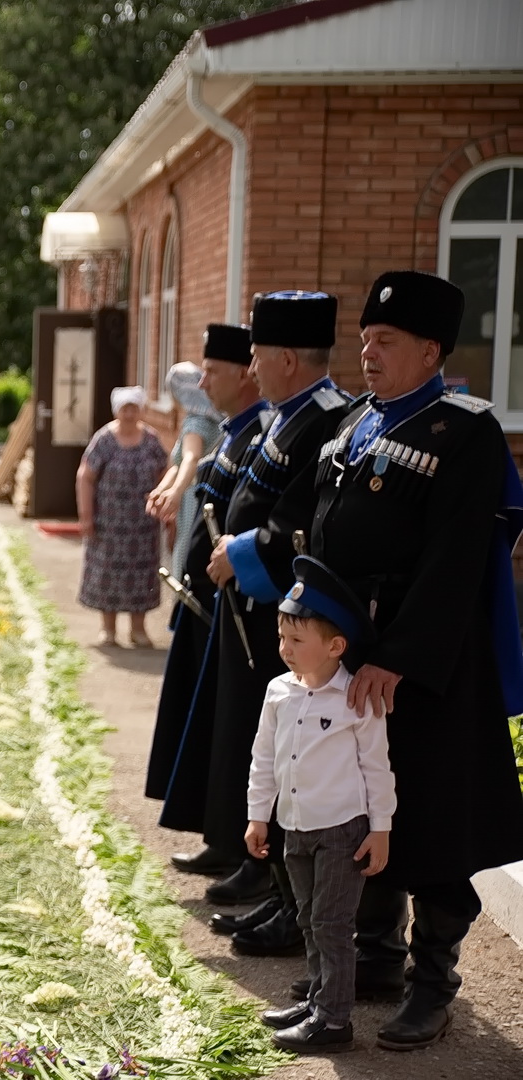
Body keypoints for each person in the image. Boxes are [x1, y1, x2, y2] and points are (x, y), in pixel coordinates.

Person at [307, 270, 523, 1050]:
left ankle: (433, 984)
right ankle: (376, 959)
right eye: (365, 338)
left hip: (424, 669)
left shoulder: (463, 431)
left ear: (431, 350)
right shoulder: (357, 422)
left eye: (385, 341)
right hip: (351, 654)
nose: (367, 351)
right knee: (361, 807)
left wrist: (399, 655)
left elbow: (456, 558)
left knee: (428, 820)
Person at [195, 291, 353, 954]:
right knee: (259, 746)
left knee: (292, 760)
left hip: (283, 612)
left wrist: (243, 552)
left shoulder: (325, 416)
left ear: (289, 357)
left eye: (258, 354)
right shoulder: (287, 415)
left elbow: (297, 521)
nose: (252, 367)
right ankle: (273, 884)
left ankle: (289, 900)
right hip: (253, 608)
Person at [246, 556, 394, 1053]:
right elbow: (263, 757)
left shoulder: (355, 697)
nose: (284, 648)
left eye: (296, 641)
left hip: (341, 830)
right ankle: (317, 998)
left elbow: (377, 767)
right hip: (294, 827)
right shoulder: (277, 692)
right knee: (308, 919)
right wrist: (257, 815)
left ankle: (333, 1021)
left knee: (332, 924)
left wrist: (381, 828)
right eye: (282, 637)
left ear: (335, 646)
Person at [146, 325, 264, 884]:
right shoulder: (236, 430)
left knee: (234, 727)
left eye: (213, 371)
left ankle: (239, 848)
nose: (203, 380)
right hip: (210, 595)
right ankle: (221, 835)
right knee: (213, 723)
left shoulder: (259, 429)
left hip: (241, 606)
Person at [75, 385, 168, 647]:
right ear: (117, 411)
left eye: (134, 408)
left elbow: (165, 472)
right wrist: (86, 515)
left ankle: (138, 629)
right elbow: (86, 477)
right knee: (108, 574)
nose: (129, 414)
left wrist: (166, 508)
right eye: (125, 409)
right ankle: (108, 629)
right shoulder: (104, 439)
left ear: (140, 410)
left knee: (142, 576)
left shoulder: (151, 440)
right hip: (109, 524)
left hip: (143, 525)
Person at [147, 361, 222, 580]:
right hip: (199, 493)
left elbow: (190, 459)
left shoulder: (196, 424)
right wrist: (161, 489)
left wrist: (177, 492)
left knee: (187, 554)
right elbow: (178, 466)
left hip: (192, 498)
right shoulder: (215, 418)